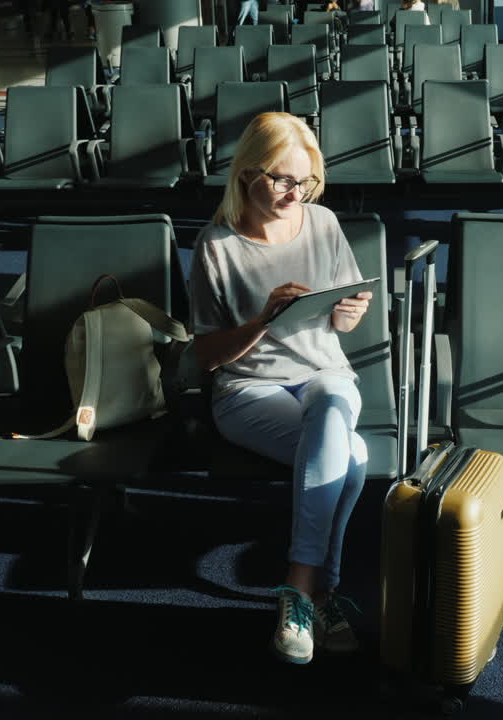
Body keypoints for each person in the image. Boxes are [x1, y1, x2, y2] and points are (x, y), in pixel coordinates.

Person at [190, 112, 372, 665]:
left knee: (333, 408)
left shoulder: (323, 223)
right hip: (248, 390)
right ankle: (324, 591)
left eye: (306, 181)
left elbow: (343, 325)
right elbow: (206, 355)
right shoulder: (216, 245)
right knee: (353, 454)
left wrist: (349, 312)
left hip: (325, 373)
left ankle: (297, 585)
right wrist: (264, 319)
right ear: (247, 173)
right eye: (283, 179)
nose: (297, 193)